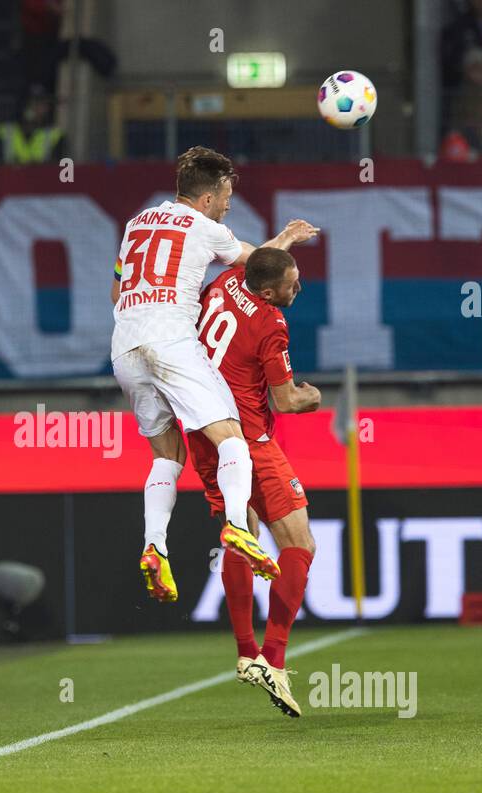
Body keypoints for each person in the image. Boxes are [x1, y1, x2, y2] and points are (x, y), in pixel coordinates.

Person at [109, 146, 318, 603]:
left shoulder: (136, 224)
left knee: (166, 455)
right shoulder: (207, 229)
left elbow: (115, 290)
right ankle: (239, 529)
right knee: (233, 438)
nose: (227, 205)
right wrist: (284, 238)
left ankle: (155, 546)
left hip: (124, 345)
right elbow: (255, 261)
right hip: (171, 341)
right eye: (225, 197)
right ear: (206, 199)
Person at [189, 248, 321, 718]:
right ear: (267, 291)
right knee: (300, 543)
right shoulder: (271, 323)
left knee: (239, 532)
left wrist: (286, 238)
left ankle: (246, 652)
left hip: (203, 429)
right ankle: (275, 659)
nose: (298, 288)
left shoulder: (228, 279)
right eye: (292, 283)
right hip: (247, 439)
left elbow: (258, 257)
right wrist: (312, 397)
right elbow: (285, 401)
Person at [0, 86, 66, 165]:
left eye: (44, 104)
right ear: (24, 106)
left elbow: (57, 168)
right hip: (10, 176)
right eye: (36, 103)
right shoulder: (5, 131)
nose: (42, 108)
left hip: (40, 177)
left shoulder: (55, 134)